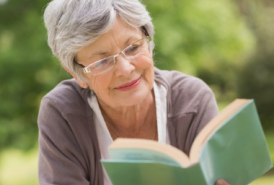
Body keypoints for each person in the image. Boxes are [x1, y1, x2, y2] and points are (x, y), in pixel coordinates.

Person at [38, 0, 230, 185]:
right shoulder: (62, 113)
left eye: (133, 48)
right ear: (78, 74)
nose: (125, 69)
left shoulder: (193, 99)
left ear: (148, 41)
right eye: (102, 61)